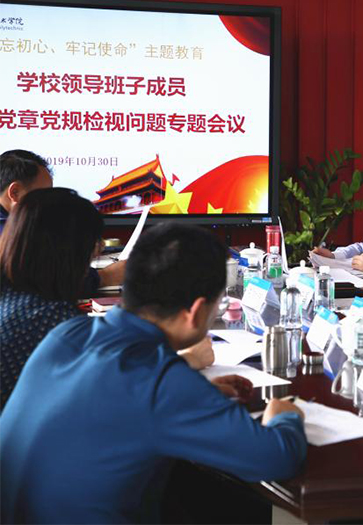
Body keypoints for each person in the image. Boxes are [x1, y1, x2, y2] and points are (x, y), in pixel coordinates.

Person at [0, 223, 306, 523]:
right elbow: (276, 458)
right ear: (196, 311)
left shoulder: (67, 333)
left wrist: (203, 393)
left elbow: (107, 404)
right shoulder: (163, 382)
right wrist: (284, 414)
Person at [0, 189, 214, 410]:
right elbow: (117, 390)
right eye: (92, 245)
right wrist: (188, 360)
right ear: (69, 254)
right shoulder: (50, 317)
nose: (99, 249)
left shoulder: (15, 295)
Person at [0, 149, 126, 291]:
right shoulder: (9, 235)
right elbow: (48, 280)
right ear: (14, 192)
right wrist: (106, 276)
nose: (48, 203)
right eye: (44, 195)